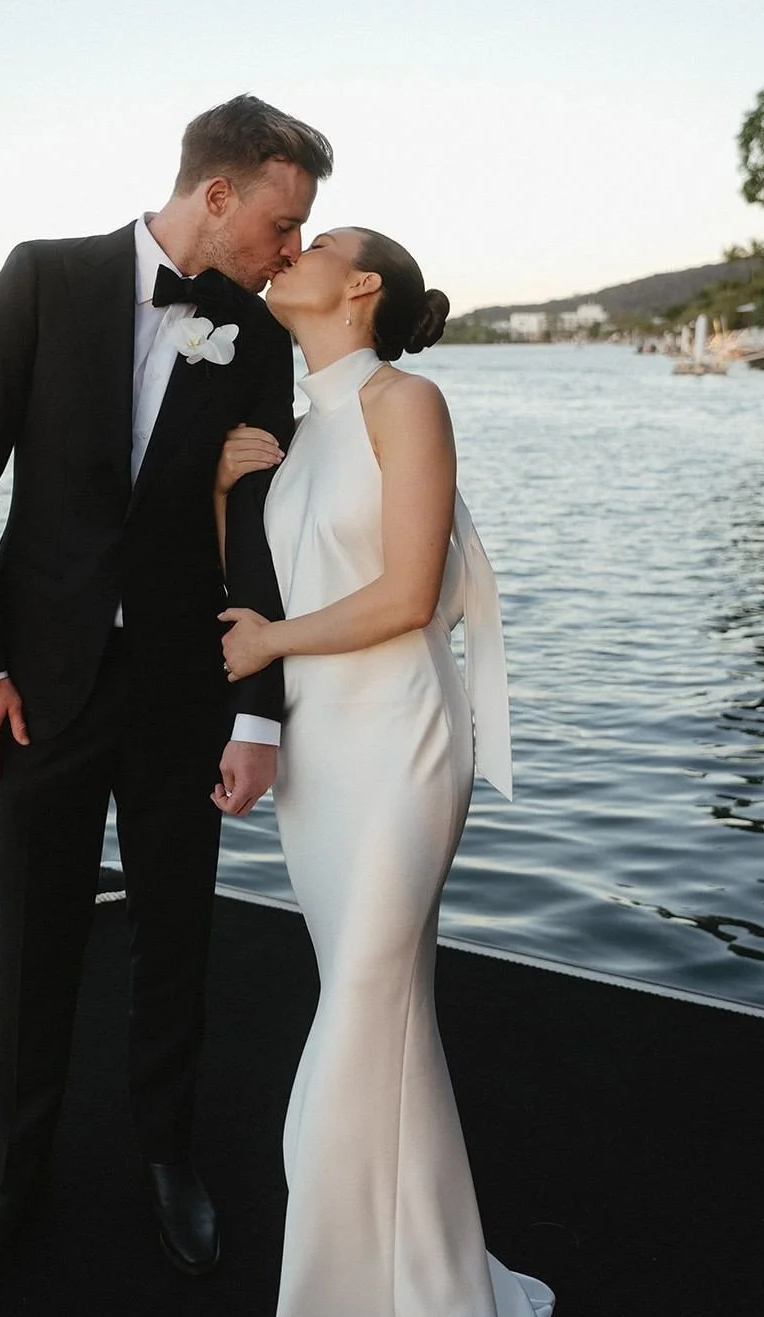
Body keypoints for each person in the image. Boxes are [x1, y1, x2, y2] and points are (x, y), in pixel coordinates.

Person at [0, 94, 332, 1299]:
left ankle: (169, 1156)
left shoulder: (255, 339)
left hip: (183, 691)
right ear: (218, 192)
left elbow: (257, 534)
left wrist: (257, 712)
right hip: (38, 690)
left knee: (177, 939)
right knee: (33, 938)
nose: (290, 249)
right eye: (280, 219)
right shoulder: (42, 279)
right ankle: (15, 1175)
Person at [216, 228, 555, 1316]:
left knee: (362, 1000)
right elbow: (253, 589)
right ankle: (424, 1276)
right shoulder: (295, 431)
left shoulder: (402, 402)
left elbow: (407, 596)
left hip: (402, 741)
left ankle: (333, 1290)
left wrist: (269, 643)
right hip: (317, 760)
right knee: (379, 1012)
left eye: (312, 243)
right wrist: (218, 494)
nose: (287, 253)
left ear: (359, 287)